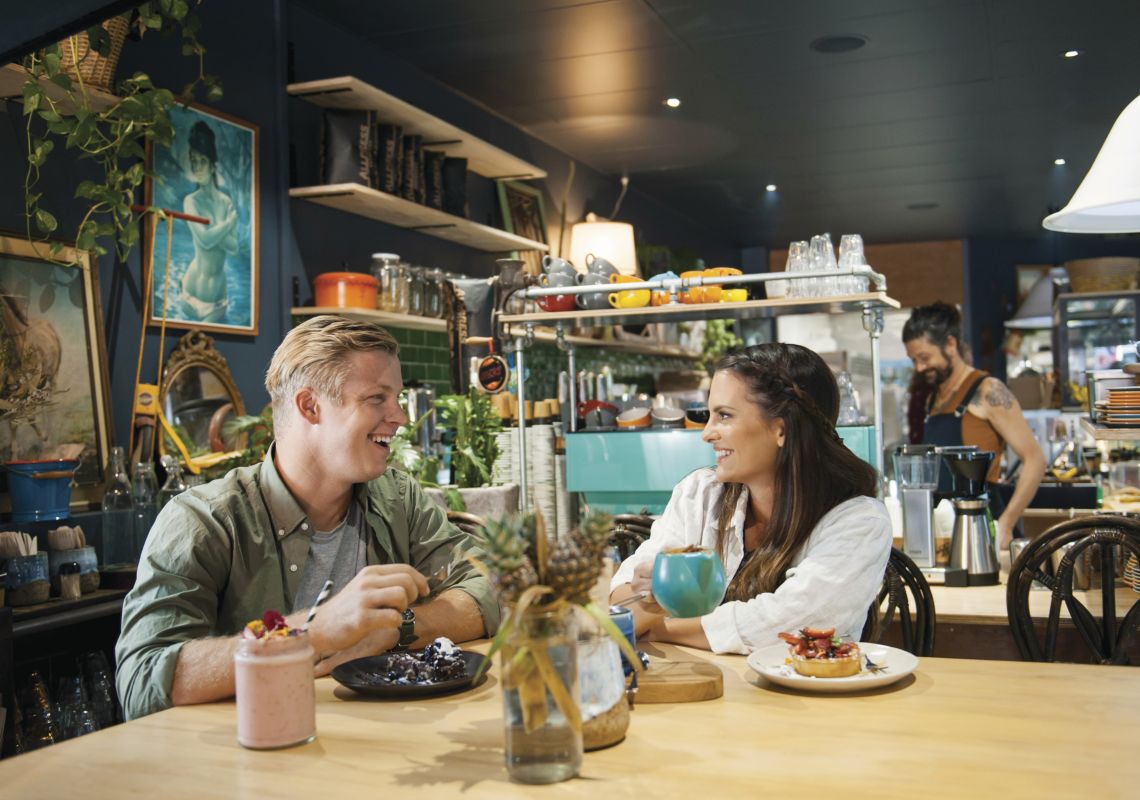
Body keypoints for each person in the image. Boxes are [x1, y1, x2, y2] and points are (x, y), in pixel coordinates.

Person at [116, 316, 499, 719]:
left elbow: (494, 582)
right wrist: (310, 633)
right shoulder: (204, 521)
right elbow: (141, 681)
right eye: (376, 399)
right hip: (244, 762)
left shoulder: (398, 498)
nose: (399, 416)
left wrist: (398, 626)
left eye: (397, 398)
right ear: (310, 406)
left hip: (375, 748)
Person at [609, 343, 891, 654]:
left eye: (724, 416)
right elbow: (621, 605)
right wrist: (650, 599)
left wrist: (659, 629)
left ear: (780, 429)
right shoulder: (700, 495)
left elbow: (790, 623)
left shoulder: (860, 521)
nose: (707, 433)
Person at [902, 302, 1045, 550]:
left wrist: (1007, 523)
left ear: (950, 344)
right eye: (914, 360)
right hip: (945, 529)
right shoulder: (932, 399)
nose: (919, 367)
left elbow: (1035, 459)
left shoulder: (988, 390)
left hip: (983, 526)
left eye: (924, 357)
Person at [180, 120, 238, 323]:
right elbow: (205, 240)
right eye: (193, 160)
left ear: (213, 165)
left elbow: (234, 247)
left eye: (202, 161)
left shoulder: (225, 202)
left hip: (217, 302)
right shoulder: (191, 201)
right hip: (190, 294)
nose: (197, 167)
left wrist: (214, 231)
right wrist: (227, 225)